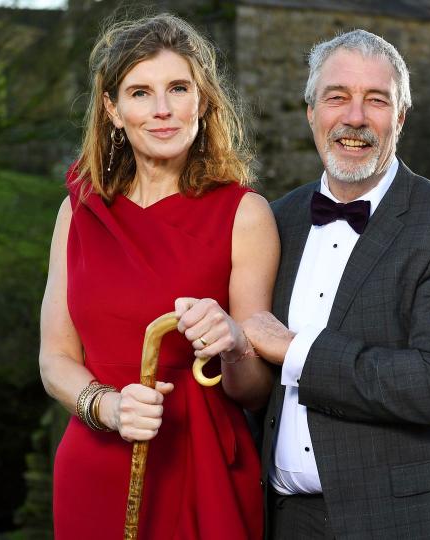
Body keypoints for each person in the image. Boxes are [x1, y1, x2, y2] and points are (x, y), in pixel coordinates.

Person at [237, 30, 430, 539]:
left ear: (400, 117)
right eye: (337, 97)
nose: (355, 117)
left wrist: (295, 350)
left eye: (376, 101)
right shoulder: (273, 222)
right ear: (311, 111)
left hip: (410, 523)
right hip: (283, 522)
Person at [38, 13, 278, 538]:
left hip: (204, 464)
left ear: (204, 100)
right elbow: (55, 358)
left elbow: (257, 390)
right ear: (113, 110)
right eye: (140, 92)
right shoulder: (76, 211)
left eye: (178, 88)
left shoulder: (245, 214)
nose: (163, 109)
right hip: (95, 463)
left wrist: (235, 345)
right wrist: (108, 407)